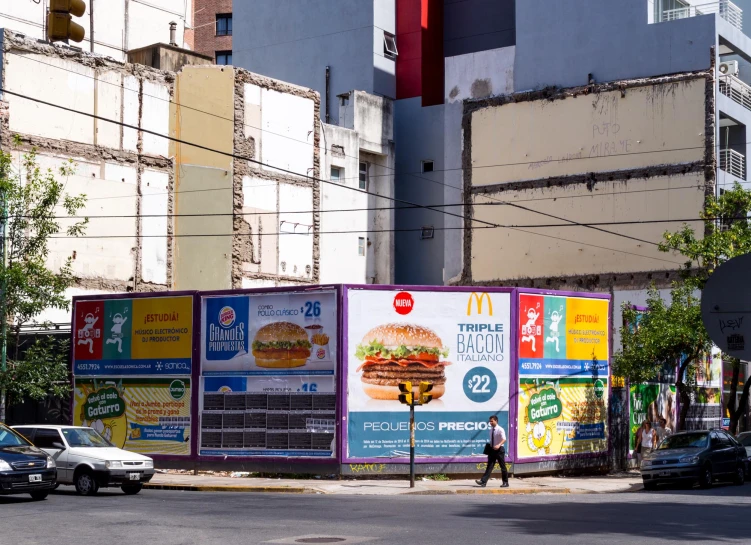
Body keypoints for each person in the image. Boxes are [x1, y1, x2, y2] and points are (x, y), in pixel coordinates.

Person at [476, 415, 509, 488]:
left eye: (492, 421)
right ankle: (483, 482)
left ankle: (505, 482)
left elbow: (504, 439)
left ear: (496, 421)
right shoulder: (491, 430)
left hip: (500, 450)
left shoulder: (500, 429)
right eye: (490, 421)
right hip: (492, 450)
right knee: (489, 466)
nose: (490, 422)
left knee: (502, 466)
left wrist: (499, 445)